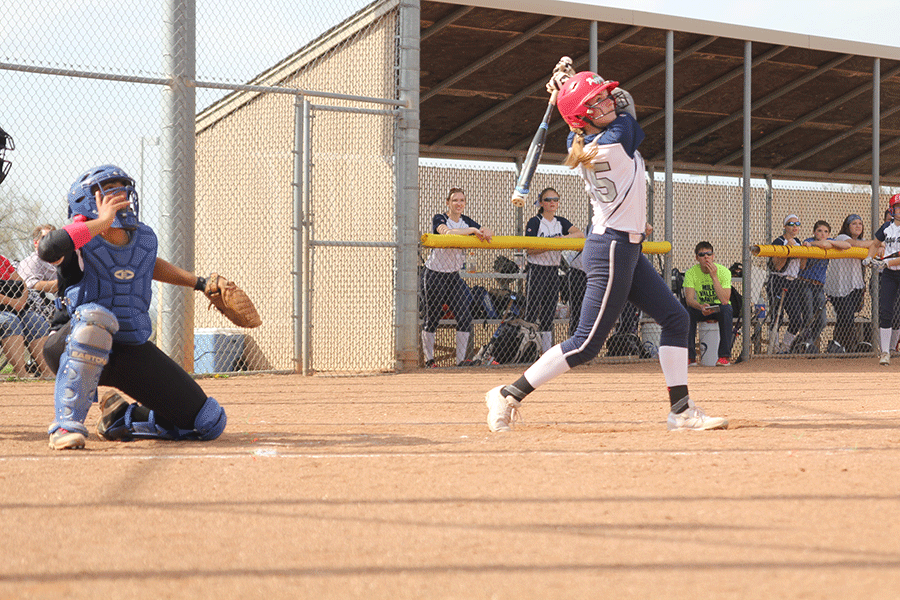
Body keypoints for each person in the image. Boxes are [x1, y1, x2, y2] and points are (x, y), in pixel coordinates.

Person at [485, 70, 727, 432]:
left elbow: (594, 114)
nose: (608, 102)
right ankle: (507, 394)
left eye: (604, 97)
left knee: (676, 319)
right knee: (585, 344)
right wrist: (568, 86)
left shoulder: (577, 142)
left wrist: (567, 87)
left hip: (623, 246)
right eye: (596, 102)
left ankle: (680, 410)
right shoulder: (617, 138)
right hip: (612, 247)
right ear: (582, 116)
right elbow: (628, 104)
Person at [39, 164, 228, 450]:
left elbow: (148, 265)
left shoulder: (143, 238)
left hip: (127, 345)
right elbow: (47, 248)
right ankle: (66, 426)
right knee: (95, 318)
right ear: (86, 201)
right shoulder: (78, 242)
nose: (121, 194)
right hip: (70, 341)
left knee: (208, 421)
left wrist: (201, 283)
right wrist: (102, 222)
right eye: (109, 189)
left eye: (123, 187)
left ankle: (121, 419)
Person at [421, 187, 493, 367]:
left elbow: (482, 229)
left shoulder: (466, 221)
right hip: (435, 274)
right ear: (448, 203)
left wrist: (485, 230)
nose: (458, 204)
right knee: (433, 317)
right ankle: (429, 360)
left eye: (462, 200)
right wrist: (472, 230)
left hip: (453, 276)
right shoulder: (440, 218)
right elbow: (447, 233)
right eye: (454, 200)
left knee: (465, 316)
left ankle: (461, 361)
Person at [523, 187, 583, 353]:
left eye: (555, 199)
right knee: (532, 311)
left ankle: (546, 352)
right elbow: (530, 249)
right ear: (541, 203)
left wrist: (562, 239)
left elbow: (579, 234)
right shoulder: (535, 221)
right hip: (537, 270)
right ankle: (529, 350)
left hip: (553, 271)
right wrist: (550, 245)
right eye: (548, 200)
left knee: (549, 313)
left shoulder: (560, 222)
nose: (552, 203)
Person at [825, 214, 880, 352]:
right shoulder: (842, 238)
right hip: (840, 286)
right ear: (847, 226)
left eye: (860, 224)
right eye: (854, 223)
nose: (857, 226)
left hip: (855, 285)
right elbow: (855, 244)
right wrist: (878, 242)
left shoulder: (864, 243)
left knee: (846, 318)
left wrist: (877, 245)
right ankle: (844, 345)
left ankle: (839, 345)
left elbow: (874, 250)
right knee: (846, 316)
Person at [794, 221, 850, 352]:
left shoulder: (826, 242)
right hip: (805, 283)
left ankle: (807, 342)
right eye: (819, 231)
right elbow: (803, 265)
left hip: (819, 286)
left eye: (826, 232)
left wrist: (830, 243)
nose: (822, 234)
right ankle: (805, 343)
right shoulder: (808, 241)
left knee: (822, 320)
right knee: (808, 315)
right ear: (814, 232)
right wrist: (816, 244)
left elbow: (846, 245)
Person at [0, 254, 53, 378]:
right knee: (10, 321)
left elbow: (22, 284)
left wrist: (21, 301)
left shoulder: (2, 260)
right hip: (9, 308)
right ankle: (22, 374)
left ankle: (48, 372)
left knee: (36, 320)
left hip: (14, 307)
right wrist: (12, 302)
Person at [682, 242, 734, 366]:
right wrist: (700, 307)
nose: (706, 257)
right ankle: (691, 357)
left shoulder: (724, 271)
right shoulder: (691, 273)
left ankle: (724, 357)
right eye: (702, 254)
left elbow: (725, 300)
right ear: (697, 258)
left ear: (713, 256)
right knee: (687, 312)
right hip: (702, 307)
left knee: (727, 309)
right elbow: (689, 299)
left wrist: (714, 277)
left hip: (718, 307)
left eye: (709, 254)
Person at [768, 215, 804, 353]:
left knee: (796, 318)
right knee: (777, 316)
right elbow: (776, 266)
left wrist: (805, 251)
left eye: (797, 224)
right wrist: (788, 251)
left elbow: (802, 267)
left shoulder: (798, 242)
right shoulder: (779, 241)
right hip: (778, 280)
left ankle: (785, 347)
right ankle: (774, 348)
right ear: (784, 226)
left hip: (792, 282)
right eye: (790, 224)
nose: (794, 227)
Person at [872, 194, 900, 365]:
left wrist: (886, 262)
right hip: (889, 274)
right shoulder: (886, 227)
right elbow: (875, 244)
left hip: (890, 266)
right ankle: (885, 352)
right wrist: (869, 257)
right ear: (892, 209)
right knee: (886, 312)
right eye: (898, 207)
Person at [18, 224, 59, 321]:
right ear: (36, 243)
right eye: (45, 238)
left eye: (53, 237)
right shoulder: (32, 261)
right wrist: (62, 282)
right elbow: (32, 286)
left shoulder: (60, 259)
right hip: (43, 310)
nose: (50, 241)